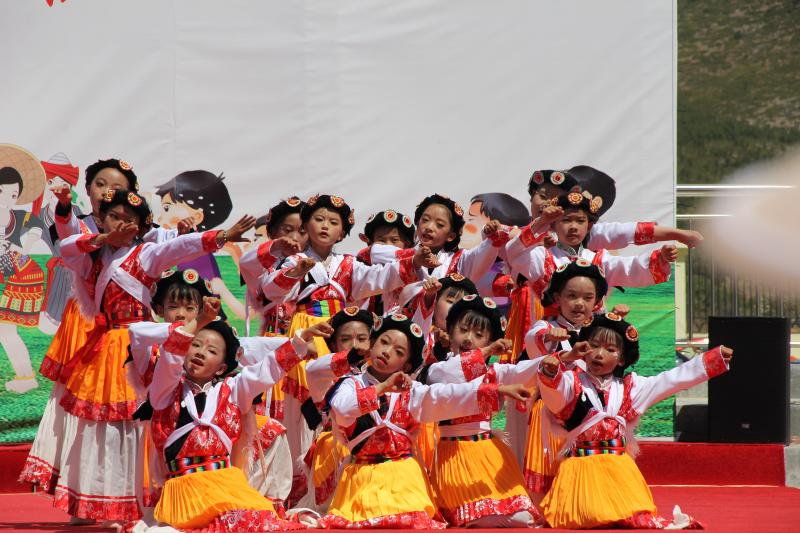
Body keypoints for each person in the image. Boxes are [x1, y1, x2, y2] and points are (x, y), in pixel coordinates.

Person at [32, 188, 254, 525]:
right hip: (103, 345)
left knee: (139, 426)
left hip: (140, 343)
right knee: (97, 427)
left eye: (129, 219)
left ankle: (133, 506)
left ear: (140, 226)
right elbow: (65, 247)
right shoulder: (92, 256)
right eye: (114, 217)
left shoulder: (147, 255)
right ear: (101, 220)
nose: (121, 224)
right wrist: (100, 237)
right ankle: (91, 503)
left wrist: (220, 236)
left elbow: (179, 247)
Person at [319, 313, 526, 529]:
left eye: (399, 352)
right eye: (384, 342)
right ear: (371, 344)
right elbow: (342, 407)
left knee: (407, 524)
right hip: (360, 479)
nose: (387, 352)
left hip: (404, 480)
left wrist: (497, 390)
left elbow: (446, 396)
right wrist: (382, 387)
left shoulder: (412, 392)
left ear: (407, 365)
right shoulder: (349, 384)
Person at [537, 312, 732, 529]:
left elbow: (669, 381)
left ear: (621, 359)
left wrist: (713, 359)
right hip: (581, 471)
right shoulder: (571, 383)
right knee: (589, 516)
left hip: (619, 472)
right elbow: (553, 397)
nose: (599, 354)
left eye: (610, 350)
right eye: (594, 346)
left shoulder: (630, 388)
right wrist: (550, 371)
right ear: (583, 349)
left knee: (633, 518)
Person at [147, 297, 318, 530]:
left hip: (226, 485)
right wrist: (201, 319)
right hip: (184, 491)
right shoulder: (166, 391)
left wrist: (299, 341)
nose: (200, 352)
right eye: (195, 345)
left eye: (211, 350)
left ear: (221, 368)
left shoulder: (233, 390)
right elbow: (169, 358)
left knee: (253, 523)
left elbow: (266, 369)